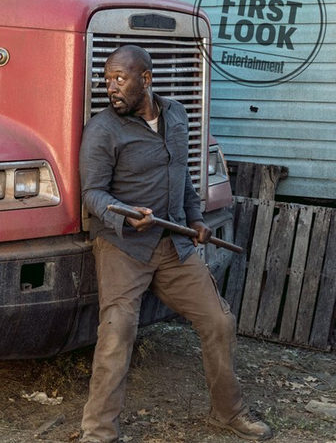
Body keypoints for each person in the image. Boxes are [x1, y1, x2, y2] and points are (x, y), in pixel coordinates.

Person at [78, 45, 272, 442]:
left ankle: (228, 412)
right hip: (124, 247)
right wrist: (124, 211)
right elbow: (92, 195)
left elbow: (181, 175)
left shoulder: (177, 115)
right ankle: (98, 433)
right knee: (118, 332)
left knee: (218, 320)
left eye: (120, 78)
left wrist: (196, 219)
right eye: (107, 78)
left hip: (174, 245)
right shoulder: (102, 130)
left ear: (146, 79)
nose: (110, 87)